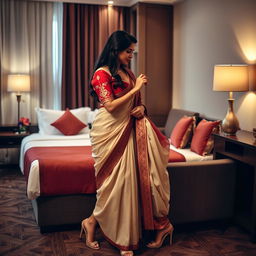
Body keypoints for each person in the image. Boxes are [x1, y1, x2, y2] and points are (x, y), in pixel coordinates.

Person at [79, 30, 173, 256]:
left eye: (133, 52)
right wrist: (137, 87)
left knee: (127, 183)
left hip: (130, 130)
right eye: (128, 51)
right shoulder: (101, 74)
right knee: (112, 185)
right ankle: (92, 222)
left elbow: (136, 104)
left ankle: (121, 237)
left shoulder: (127, 72)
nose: (131, 56)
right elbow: (110, 106)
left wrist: (143, 109)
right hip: (109, 131)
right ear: (115, 50)